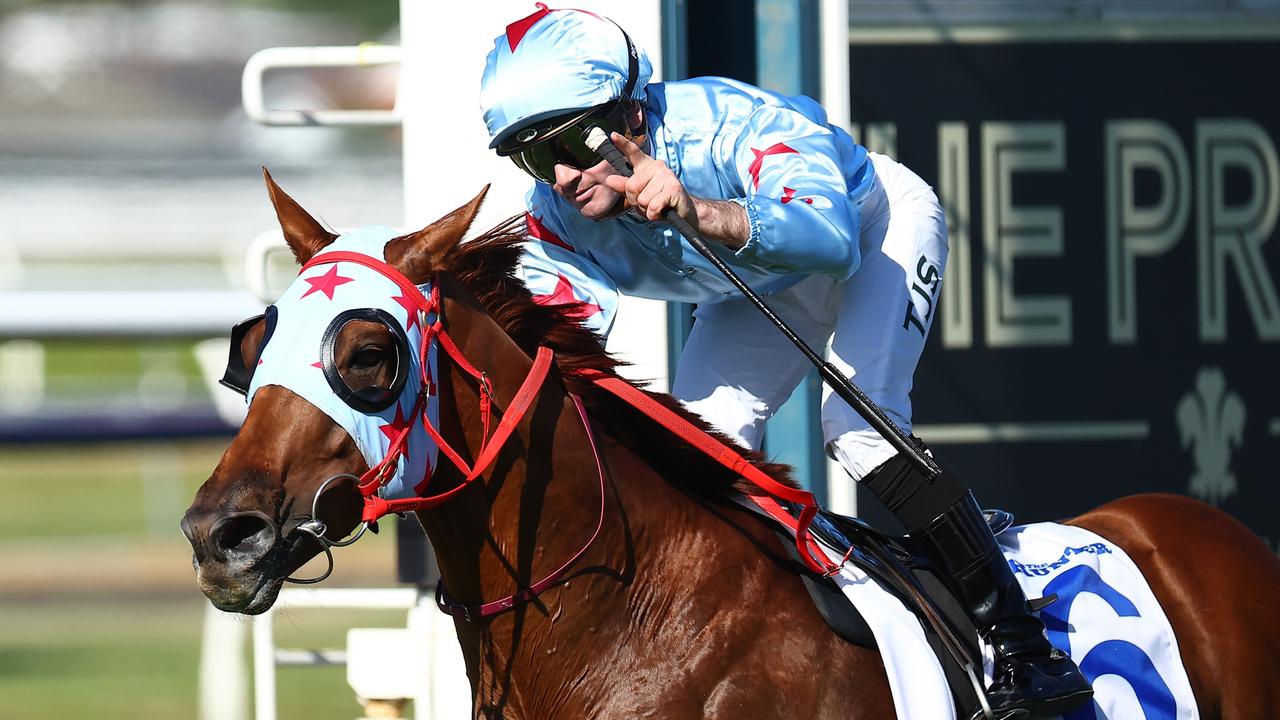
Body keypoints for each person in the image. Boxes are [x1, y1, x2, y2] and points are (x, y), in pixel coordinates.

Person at [478, 5, 1091, 718]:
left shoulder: (724, 123)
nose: (559, 177)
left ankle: (1023, 647)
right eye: (530, 155)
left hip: (872, 228)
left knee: (858, 429)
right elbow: (557, 350)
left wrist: (700, 209)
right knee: (701, 452)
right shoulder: (554, 216)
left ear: (630, 117)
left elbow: (833, 242)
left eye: (570, 144)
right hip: (761, 276)